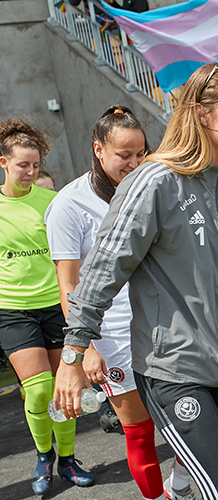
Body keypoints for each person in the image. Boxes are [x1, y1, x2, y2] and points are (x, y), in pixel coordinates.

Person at [51, 61, 218, 500]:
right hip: (174, 372)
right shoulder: (154, 181)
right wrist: (74, 356)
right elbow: (100, 274)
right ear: (204, 115)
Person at [45, 106, 197, 500]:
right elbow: (69, 285)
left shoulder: (154, 185)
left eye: (140, 153)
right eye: (123, 155)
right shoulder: (68, 205)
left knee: (192, 417)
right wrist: (86, 349)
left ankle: (180, 486)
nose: (133, 163)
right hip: (112, 335)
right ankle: (155, 497)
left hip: (168, 323)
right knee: (139, 429)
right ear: (98, 149)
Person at [0, 118, 94, 496]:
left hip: (56, 305)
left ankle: (68, 459)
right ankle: (44, 455)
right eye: (23, 165)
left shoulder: (52, 202)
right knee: (38, 391)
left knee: (66, 390)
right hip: (12, 309)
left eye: (36, 165)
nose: (31, 172)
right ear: (3, 162)